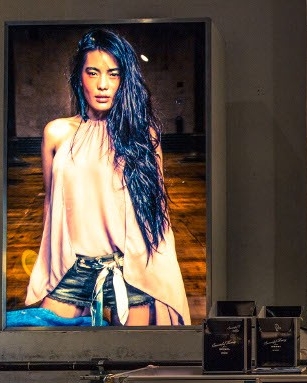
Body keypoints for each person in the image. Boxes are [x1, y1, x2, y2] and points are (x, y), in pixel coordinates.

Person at [24, 28, 190, 326]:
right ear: (80, 77)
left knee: (131, 355)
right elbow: (50, 207)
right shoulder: (57, 133)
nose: (103, 85)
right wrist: (48, 272)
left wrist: (167, 281)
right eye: (93, 73)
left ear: (124, 80)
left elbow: (158, 214)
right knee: (48, 345)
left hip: (131, 271)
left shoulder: (143, 135)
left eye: (113, 74)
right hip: (74, 270)